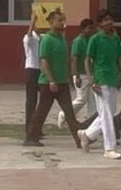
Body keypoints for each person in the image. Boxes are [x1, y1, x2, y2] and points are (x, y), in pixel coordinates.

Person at [79, 10, 121, 160]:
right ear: (100, 24)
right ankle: (109, 148)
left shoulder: (115, 39)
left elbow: (119, 60)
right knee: (107, 115)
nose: (109, 22)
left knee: (108, 113)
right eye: (105, 20)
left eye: (110, 19)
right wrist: (91, 81)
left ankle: (87, 134)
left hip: (113, 79)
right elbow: (87, 60)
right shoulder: (95, 39)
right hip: (100, 79)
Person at [24, 10, 82, 148]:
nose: (62, 23)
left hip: (62, 82)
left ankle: (79, 139)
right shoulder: (46, 39)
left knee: (69, 113)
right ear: (51, 22)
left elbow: (65, 61)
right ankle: (30, 138)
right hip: (48, 83)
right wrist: (51, 80)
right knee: (41, 112)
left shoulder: (61, 39)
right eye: (59, 20)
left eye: (63, 20)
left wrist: (70, 78)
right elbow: (43, 61)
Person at [64, 18, 96, 128]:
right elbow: (74, 59)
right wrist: (76, 75)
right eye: (89, 28)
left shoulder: (91, 40)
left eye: (92, 28)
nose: (91, 30)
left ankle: (90, 123)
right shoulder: (78, 41)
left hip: (91, 74)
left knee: (93, 101)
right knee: (81, 99)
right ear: (82, 29)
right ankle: (64, 114)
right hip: (80, 74)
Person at [23, 12, 42, 130]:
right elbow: (29, 36)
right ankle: (29, 127)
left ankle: (37, 127)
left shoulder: (42, 37)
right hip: (32, 69)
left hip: (42, 70)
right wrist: (32, 21)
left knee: (43, 101)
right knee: (31, 100)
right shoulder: (29, 37)